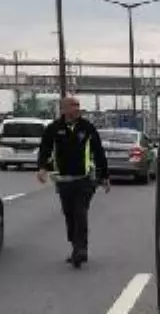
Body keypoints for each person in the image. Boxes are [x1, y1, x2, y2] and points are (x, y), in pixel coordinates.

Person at [36, 97, 110, 267]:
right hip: (63, 181)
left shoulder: (87, 128)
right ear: (63, 109)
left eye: (78, 105)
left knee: (80, 213)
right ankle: (74, 245)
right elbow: (45, 150)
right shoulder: (53, 129)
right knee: (69, 214)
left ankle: (81, 249)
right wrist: (42, 168)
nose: (77, 108)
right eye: (73, 105)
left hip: (85, 180)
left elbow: (99, 152)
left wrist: (104, 176)